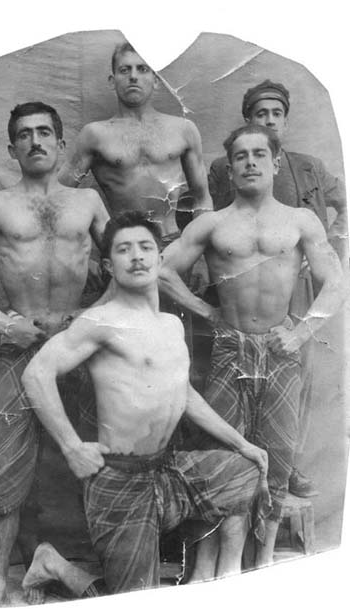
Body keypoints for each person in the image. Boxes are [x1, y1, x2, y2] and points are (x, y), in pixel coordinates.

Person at [21, 210, 270, 596]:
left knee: (244, 469)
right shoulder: (101, 321)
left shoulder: (171, 325)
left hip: (167, 472)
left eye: (145, 247)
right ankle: (54, 564)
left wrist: (243, 444)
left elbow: (182, 394)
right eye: (124, 250)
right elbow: (36, 374)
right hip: (119, 480)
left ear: (159, 257)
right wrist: (72, 447)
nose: (136, 256)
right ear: (109, 266)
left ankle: (217, 576)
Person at [0, 101, 109, 607]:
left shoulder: (87, 202)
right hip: (20, 347)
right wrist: (4, 325)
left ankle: (109, 565)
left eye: (44, 132)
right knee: (6, 464)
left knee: (105, 454)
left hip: (79, 350)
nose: (35, 141)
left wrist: (92, 317)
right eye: (24, 134)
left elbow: (129, 263)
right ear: (12, 148)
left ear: (61, 143)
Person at [161, 124, 345, 566]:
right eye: (240, 156)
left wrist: (300, 333)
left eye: (259, 154)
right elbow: (162, 270)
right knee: (224, 451)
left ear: (275, 162)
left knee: (278, 453)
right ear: (229, 168)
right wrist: (205, 312)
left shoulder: (300, 221)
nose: (250, 162)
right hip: (229, 348)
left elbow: (336, 283)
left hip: (282, 349)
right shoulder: (212, 223)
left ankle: (262, 560)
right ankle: (214, 563)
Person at [208, 80, 348, 496]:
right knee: (237, 375)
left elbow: (343, 207)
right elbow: (211, 218)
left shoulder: (309, 167)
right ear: (248, 121)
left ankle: (290, 463)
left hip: (303, 282)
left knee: (296, 369)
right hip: (245, 280)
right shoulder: (224, 167)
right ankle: (240, 473)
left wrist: (332, 243)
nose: (269, 121)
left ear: (285, 121)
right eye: (260, 114)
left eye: (276, 114)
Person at [59, 43, 213, 238]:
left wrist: (195, 245)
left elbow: (202, 198)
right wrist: (100, 243)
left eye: (142, 69)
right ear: (112, 81)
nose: (133, 76)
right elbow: (58, 194)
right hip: (123, 244)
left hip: (173, 241)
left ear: (156, 80)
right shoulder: (94, 135)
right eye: (125, 70)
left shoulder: (183, 130)